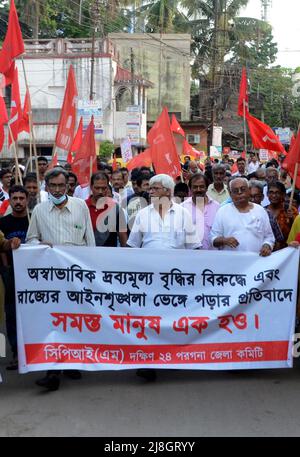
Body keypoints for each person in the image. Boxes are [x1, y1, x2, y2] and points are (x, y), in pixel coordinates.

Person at [26, 167, 95, 391]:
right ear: (47, 187)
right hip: (52, 277)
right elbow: (31, 239)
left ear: (68, 186)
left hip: (77, 276)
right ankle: (53, 370)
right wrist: (41, 246)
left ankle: (72, 363)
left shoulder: (80, 206)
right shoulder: (38, 210)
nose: (57, 190)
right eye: (53, 186)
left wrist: (91, 269)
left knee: (75, 319)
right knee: (54, 320)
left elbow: (90, 241)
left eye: (61, 185)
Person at [127, 174, 201, 382]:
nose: (150, 192)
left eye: (155, 189)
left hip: (176, 281)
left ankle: (173, 357)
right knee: (150, 320)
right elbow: (133, 247)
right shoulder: (142, 214)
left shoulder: (183, 214)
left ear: (168, 192)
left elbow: (193, 248)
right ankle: (148, 362)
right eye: (150, 189)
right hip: (149, 279)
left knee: (173, 319)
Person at [0, 185, 27, 369]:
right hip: (10, 273)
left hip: (33, 275)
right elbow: (2, 245)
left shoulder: (34, 219)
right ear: (9, 200)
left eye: (21, 198)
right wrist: (7, 266)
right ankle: (16, 352)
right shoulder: (2, 223)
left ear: (27, 200)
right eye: (14, 198)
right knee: (11, 313)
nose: (18, 202)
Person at [210, 177, 274, 255]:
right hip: (231, 262)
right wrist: (224, 240)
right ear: (230, 194)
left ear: (248, 191)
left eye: (243, 189)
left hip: (257, 261)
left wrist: (267, 245)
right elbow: (213, 239)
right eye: (235, 191)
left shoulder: (260, 211)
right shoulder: (222, 211)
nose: (240, 193)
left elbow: (269, 236)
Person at [85, 172, 127, 247]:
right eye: (97, 188)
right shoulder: (83, 206)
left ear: (108, 187)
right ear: (91, 187)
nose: (100, 191)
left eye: (103, 188)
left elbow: (122, 235)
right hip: (85, 254)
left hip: (109, 255)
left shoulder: (116, 208)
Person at [182, 173, 219, 250]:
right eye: (195, 187)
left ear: (207, 188)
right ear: (190, 189)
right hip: (191, 255)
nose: (198, 190)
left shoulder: (217, 207)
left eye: (202, 187)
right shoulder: (183, 207)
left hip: (213, 255)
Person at [265, 181, 298, 250]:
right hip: (266, 251)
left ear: (283, 194)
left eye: (277, 193)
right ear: (267, 194)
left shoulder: (290, 210)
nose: (274, 195)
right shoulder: (262, 211)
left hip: (286, 252)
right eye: (271, 192)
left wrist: (292, 219)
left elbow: (297, 231)